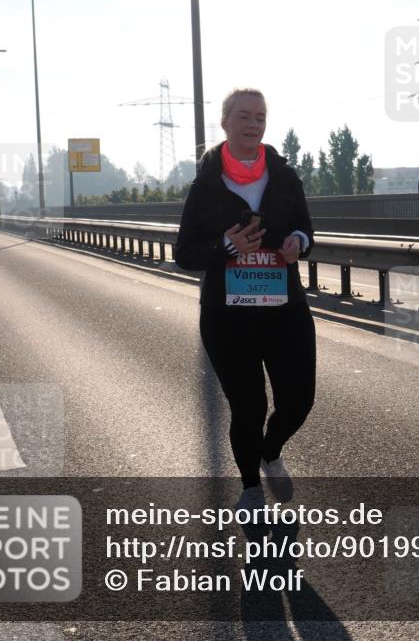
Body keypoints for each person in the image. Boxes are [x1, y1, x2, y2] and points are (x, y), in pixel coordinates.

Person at [175, 87, 316, 518]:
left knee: (298, 400)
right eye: (243, 116)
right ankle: (251, 487)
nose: (253, 123)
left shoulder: (285, 176)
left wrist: (298, 242)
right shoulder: (206, 185)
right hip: (227, 317)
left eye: (260, 116)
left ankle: (270, 452)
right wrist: (225, 245)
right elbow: (184, 254)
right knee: (249, 406)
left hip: (284, 310)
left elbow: (307, 232)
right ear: (225, 122)